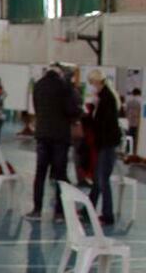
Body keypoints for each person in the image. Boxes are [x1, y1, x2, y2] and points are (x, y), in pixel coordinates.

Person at [26, 64, 80, 221]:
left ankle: (36, 210)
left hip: (42, 134)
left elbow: (36, 108)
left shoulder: (38, 85)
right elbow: (72, 110)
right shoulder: (64, 86)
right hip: (60, 137)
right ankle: (59, 212)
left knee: (40, 173)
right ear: (60, 73)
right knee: (60, 175)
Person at [86, 70, 121, 226]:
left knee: (102, 180)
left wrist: (90, 115)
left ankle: (108, 216)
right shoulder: (106, 97)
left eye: (92, 83)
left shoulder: (106, 99)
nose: (91, 86)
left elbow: (103, 124)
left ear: (97, 82)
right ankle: (89, 209)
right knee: (98, 179)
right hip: (106, 143)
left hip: (107, 144)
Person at [126, 87, 142, 154]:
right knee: (137, 139)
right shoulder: (141, 101)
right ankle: (136, 153)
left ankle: (128, 151)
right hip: (138, 123)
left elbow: (126, 111)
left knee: (129, 137)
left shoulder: (129, 101)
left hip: (130, 122)